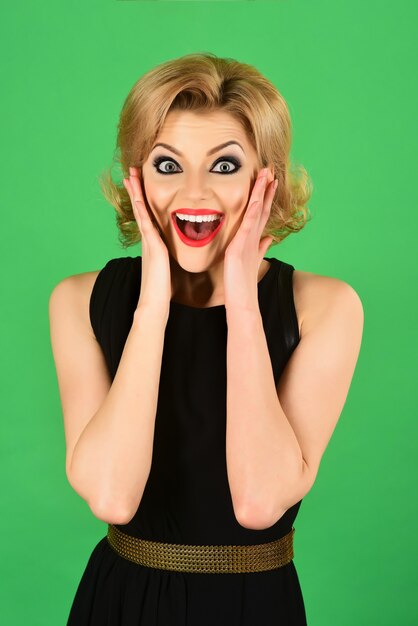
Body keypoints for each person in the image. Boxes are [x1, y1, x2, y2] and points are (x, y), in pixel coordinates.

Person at [49, 52, 364, 626]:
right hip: (121, 604)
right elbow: (113, 497)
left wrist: (243, 302)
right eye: (169, 166)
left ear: (263, 179)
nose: (194, 193)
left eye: (223, 167)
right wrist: (152, 300)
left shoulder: (327, 308)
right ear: (137, 178)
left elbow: (259, 503)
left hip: (254, 607)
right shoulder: (78, 301)